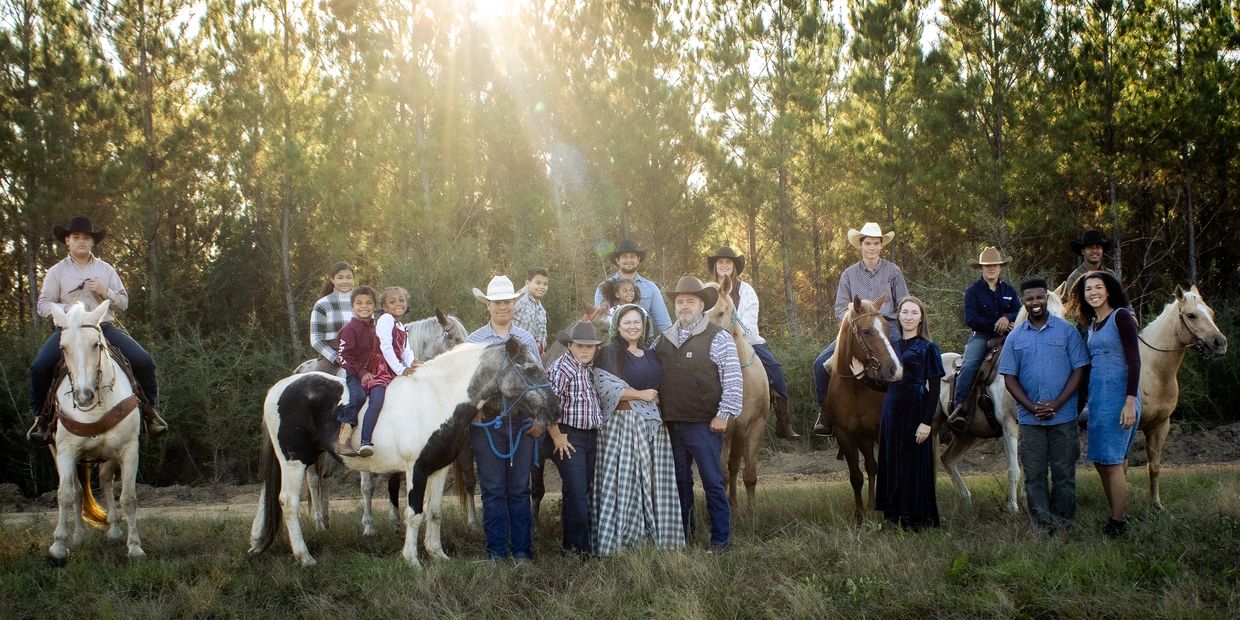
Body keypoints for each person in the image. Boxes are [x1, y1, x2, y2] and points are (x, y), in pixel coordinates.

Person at [28, 216, 168, 444]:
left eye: (86, 238)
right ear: (67, 241)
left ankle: (150, 415)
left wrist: (106, 292)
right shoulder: (56, 272)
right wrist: (69, 310)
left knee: (144, 361)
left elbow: (123, 302)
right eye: (76, 237)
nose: (81, 241)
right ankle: (41, 420)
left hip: (102, 328)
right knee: (39, 367)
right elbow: (43, 305)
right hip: (69, 331)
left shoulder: (106, 270)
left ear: (93, 242)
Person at [653, 276, 742, 551]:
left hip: (704, 425)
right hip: (671, 424)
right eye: (680, 302)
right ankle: (686, 536)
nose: (684, 306)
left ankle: (720, 540)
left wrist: (723, 415)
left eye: (690, 301)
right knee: (680, 483)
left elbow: (733, 380)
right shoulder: (662, 339)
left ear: (702, 304)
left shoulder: (719, 337)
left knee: (713, 482)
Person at [592, 304, 684, 555]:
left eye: (637, 322)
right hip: (622, 426)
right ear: (617, 326)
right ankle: (622, 539)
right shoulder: (609, 352)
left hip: (650, 426)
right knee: (625, 483)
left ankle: (653, 537)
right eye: (627, 322)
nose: (632, 327)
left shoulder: (651, 353)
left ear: (644, 326)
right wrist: (640, 395)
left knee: (652, 483)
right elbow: (603, 387)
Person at [999, 278, 1089, 533]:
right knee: (1035, 473)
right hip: (1030, 420)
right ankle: (1042, 524)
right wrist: (1029, 405)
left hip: (1063, 417)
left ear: (1046, 298)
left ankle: (1064, 523)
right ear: (1023, 302)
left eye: (1040, 297)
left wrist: (1058, 403)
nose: (1035, 302)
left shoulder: (1067, 331)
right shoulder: (1015, 337)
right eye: (1030, 299)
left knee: (1063, 472)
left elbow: (1079, 369)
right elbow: (1009, 377)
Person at [466, 275, 545, 562]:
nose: (503, 307)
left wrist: (540, 419)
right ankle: (497, 552)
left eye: (508, 302)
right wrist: (474, 408)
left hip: (521, 423)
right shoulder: (474, 341)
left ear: (514, 304)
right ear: (488, 305)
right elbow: (465, 383)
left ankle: (523, 551)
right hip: (488, 423)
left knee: (519, 488)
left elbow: (538, 380)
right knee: (493, 489)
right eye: (497, 302)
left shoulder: (524, 339)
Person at [812, 223, 909, 436]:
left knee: (902, 363)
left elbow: (903, 302)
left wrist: (903, 325)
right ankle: (826, 413)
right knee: (820, 364)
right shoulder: (849, 274)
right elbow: (839, 308)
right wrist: (851, 320)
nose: (872, 248)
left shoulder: (893, 271)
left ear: (881, 245)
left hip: (886, 325)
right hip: (856, 329)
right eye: (868, 243)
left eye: (876, 243)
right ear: (860, 245)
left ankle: (907, 411)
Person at [1069, 271, 1141, 537]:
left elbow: (1135, 361)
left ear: (1108, 290)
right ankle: (1117, 512)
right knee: (1101, 461)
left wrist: (1130, 402)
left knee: (1112, 461)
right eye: (1088, 289)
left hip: (1120, 397)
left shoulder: (1121, 316)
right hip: (1099, 399)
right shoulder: (1092, 324)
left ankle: (1118, 522)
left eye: (1098, 287)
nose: (1093, 292)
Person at [706, 246, 799, 440]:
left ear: (734, 267)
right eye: (720, 262)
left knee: (774, 369)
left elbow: (750, 326)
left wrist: (732, 318)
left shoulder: (746, 290)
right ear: (715, 266)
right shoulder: (707, 290)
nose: (724, 266)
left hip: (746, 340)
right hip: (710, 342)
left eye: (728, 262)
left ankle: (783, 422)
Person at [876, 296, 945, 530]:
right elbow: (885, 383)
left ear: (921, 317)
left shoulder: (928, 347)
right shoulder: (891, 347)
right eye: (904, 312)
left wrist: (927, 422)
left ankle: (916, 520)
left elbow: (935, 387)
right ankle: (892, 517)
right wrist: (859, 375)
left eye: (914, 312)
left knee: (913, 464)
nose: (908, 317)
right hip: (891, 411)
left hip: (916, 410)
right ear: (898, 316)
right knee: (892, 462)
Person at [544, 321, 604, 556]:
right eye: (580, 346)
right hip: (569, 436)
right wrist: (557, 436)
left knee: (579, 490)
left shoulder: (587, 368)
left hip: (589, 436)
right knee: (577, 491)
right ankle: (582, 550)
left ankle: (571, 546)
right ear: (570, 345)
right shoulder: (562, 369)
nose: (585, 350)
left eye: (590, 346)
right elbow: (548, 406)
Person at [947, 247, 1020, 431]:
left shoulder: (1009, 290)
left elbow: (1018, 311)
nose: (991, 269)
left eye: (994, 265)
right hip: (981, 335)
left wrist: (1008, 319)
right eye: (987, 266)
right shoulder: (973, 291)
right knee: (970, 364)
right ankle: (960, 407)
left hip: (1009, 335)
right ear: (981, 269)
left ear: (1000, 268)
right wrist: (996, 323)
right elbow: (970, 318)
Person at [353, 286, 421, 457]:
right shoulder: (386, 320)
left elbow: (405, 350)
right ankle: (365, 440)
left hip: (395, 367)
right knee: (377, 400)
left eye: (401, 300)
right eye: (392, 302)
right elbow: (386, 347)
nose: (398, 304)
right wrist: (400, 369)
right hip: (381, 368)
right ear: (383, 306)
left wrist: (412, 363)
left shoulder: (401, 325)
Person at [334, 286, 381, 457]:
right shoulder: (349, 329)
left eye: (369, 303)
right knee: (358, 397)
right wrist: (361, 373)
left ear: (374, 305)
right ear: (352, 306)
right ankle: (343, 440)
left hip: (376, 373)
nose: (364, 306)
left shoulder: (376, 328)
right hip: (355, 373)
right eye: (359, 303)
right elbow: (343, 356)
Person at [594, 239, 672, 338]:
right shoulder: (604, 287)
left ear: (638, 259)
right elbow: (599, 323)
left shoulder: (651, 288)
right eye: (624, 257)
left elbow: (664, 324)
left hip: (645, 344)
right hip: (614, 344)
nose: (629, 260)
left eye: (632, 256)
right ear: (617, 260)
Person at [310, 261, 356, 374]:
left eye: (349, 277)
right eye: (340, 277)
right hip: (332, 353)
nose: (345, 281)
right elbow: (316, 339)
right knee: (320, 386)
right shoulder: (322, 304)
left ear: (353, 279)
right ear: (332, 279)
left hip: (358, 351)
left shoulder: (363, 303)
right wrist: (335, 357)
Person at [512, 268, 550, 355]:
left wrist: (540, 347)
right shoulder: (521, 299)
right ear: (527, 283)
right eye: (538, 283)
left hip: (529, 356)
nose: (542, 287)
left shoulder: (542, 311)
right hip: (512, 352)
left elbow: (542, 334)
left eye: (545, 284)